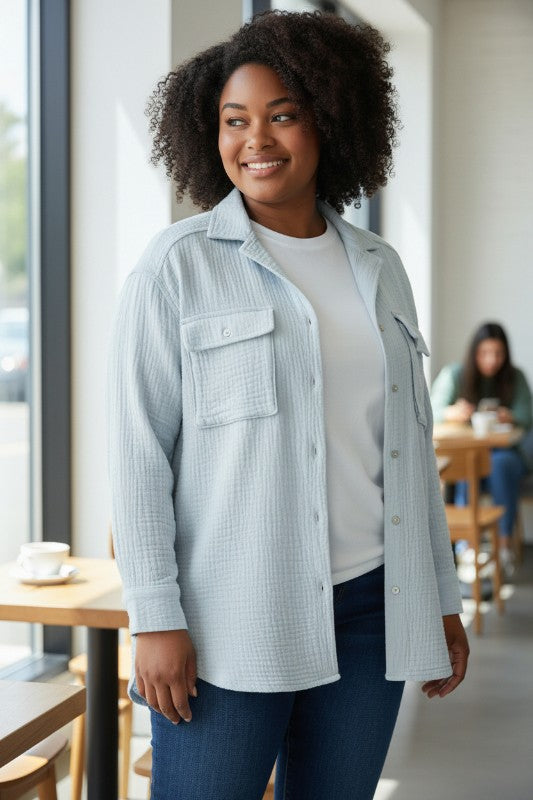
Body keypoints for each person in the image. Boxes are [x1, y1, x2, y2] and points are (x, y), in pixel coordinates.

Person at [106, 10, 469, 800]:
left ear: (331, 120)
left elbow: (404, 454)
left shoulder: (381, 267)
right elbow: (138, 458)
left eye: (281, 115)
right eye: (234, 121)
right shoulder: (175, 268)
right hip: (229, 617)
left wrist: (439, 598)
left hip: (373, 608)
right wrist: (155, 620)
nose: (255, 140)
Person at [430, 321, 532, 570]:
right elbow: (432, 410)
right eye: (485, 353)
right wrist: (451, 412)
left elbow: (526, 416)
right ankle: (469, 548)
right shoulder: (456, 374)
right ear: (474, 352)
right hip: (471, 459)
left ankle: (503, 546)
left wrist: (510, 416)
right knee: (470, 463)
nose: (491, 360)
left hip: (505, 459)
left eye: (498, 353)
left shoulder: (514, 377)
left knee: (499, 463)